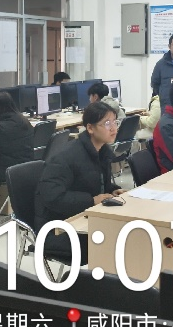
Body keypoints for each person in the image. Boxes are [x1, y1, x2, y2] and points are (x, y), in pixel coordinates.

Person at [35, 102, 125, 264]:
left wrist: (113, 190)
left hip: (84, 218)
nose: (113, 128)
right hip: (58, 228)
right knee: (117, 239)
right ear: (90, 128)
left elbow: (96, 184)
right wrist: (91, 201)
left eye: (115, 122)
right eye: (107, 123)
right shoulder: (66, 157)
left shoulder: (102, 152)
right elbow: (52, 197)